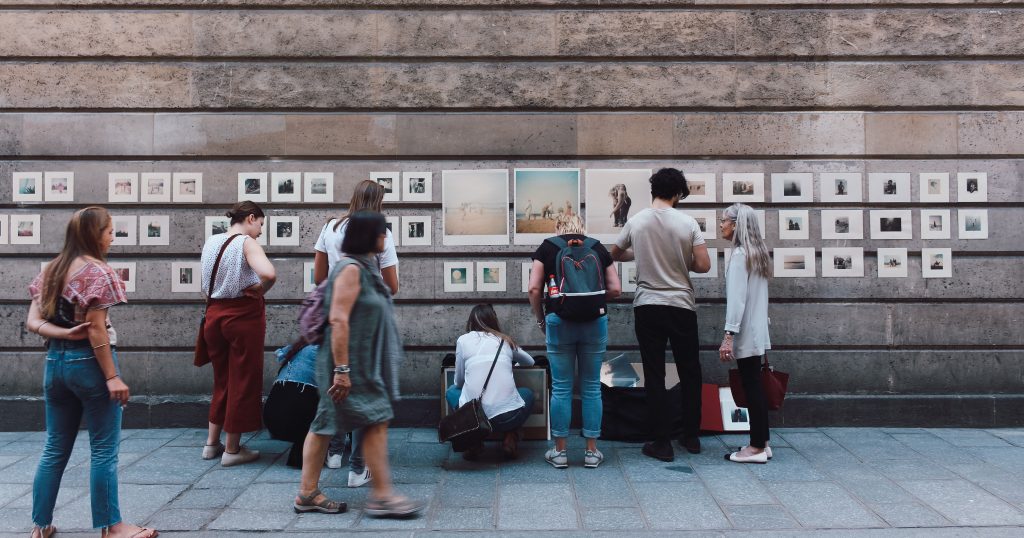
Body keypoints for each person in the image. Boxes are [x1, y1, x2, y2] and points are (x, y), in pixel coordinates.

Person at [25, 206, 157, 538]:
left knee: (54, 448)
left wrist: (65, 334)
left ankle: (40, 526)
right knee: (103, 450)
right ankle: (112, 527)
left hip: (54, 364)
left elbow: (33, 322)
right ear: (94, 235)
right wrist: (112, 376)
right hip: (90, 365)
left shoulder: (51, 270)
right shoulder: (99, 272)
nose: (113, 238)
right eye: (110, 232)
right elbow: (97, 330)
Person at [295, 211, 423, 518]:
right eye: (381, 232)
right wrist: (341, 372)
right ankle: (381, 496)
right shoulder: (350, 269)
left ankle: (309, 493)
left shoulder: (365, 269)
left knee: (333, 422)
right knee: (367, 420)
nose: (385, 237)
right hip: (346, 364)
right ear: (369, 236)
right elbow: (338, 320)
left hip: (359, 363)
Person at [611, 168, 711, 462]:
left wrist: (641, 254)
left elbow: (614, 254)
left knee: (654, 373)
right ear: (678, 193)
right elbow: (703, 265)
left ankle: (661, 441)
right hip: (681, 305)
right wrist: (679, 259)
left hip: (648, 305)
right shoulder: (687, 222)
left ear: (653, 189)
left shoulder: (636, 221)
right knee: (690, 369)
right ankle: (691, 436)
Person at [313, 179, 399, 487]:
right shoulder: (380, 232)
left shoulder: (331, 227)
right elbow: (392, 285)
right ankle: (358, 467)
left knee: (337, 389)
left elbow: (319, 277)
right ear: (379, 202)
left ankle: (335, 452)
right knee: (366, 392)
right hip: (365, 324)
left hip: (334, 318)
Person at [529, 215, 620, 469]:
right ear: (582, 227)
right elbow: (615, 288)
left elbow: (534, 289)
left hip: (559, 321)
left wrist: (541, 319)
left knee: (561, 387)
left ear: (558, 228)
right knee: (591, 387)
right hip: (594, 322)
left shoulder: (547, 247)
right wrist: (591, 301)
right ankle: (591, 452)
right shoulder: (597, 247)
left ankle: (560, 452)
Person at [200, 201, 276, 466]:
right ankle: (232, 450)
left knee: (222, 380)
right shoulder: (246, 242)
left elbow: (204, 287)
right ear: (251, 218)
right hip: (242, 318)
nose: (260, 232)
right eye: (261, 225)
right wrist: (261, 289)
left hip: (214, 316)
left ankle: (211, 444)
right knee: (243, 380)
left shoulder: (212, 242)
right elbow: (269, 274)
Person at [718, 204, 773, 464]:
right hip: (757, 328)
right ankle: (763, 442)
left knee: (752, 388)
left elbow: (737, 301)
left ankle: (756, 447)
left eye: (724, 220)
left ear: (736, 224)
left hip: (745, 330)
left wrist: (728, 335)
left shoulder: (740, 255)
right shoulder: (757, 253)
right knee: (755, 386)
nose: (721, 225)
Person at [446, 305, 536, 460]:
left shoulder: (463, 340)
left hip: (475, 419)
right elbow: (530, 361)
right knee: (527, 394)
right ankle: (510, 435)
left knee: (451, 391)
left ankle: (474, 441)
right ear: (494, 320)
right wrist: (512, 365)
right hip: (507, 419)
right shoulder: (504, 341)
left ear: (471, 321)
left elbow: (459, 382)